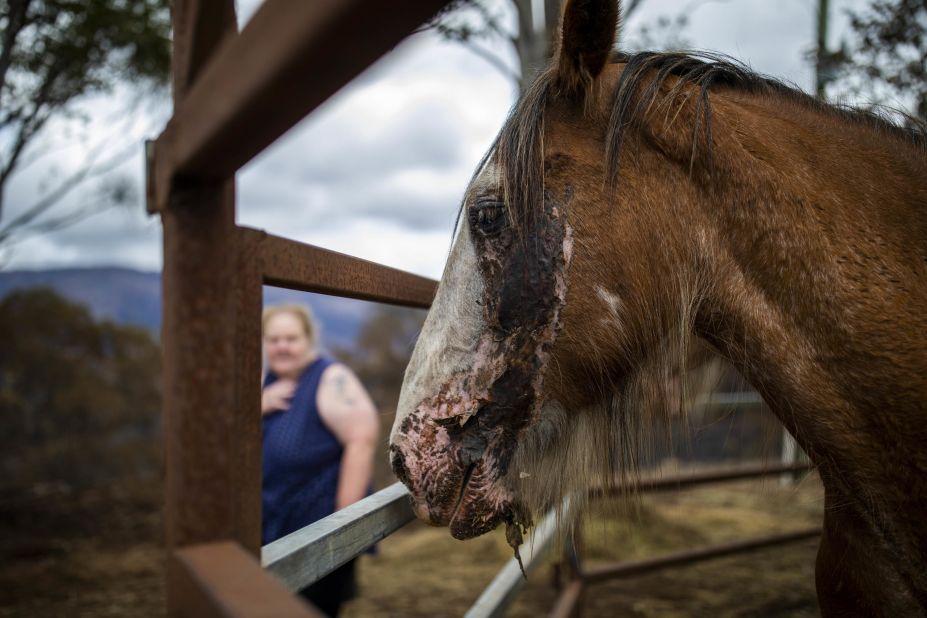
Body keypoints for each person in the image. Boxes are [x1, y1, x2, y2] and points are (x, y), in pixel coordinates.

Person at [261, 303, 379, 617]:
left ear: (309, 340)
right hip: (270, 527)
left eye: (291, 338)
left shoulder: (329, 378)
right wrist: (258, 404)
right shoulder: (265, 382)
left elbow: (362, 439)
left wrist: (341, 527)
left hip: (314, 535)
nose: (282, 346)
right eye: (273, 339)